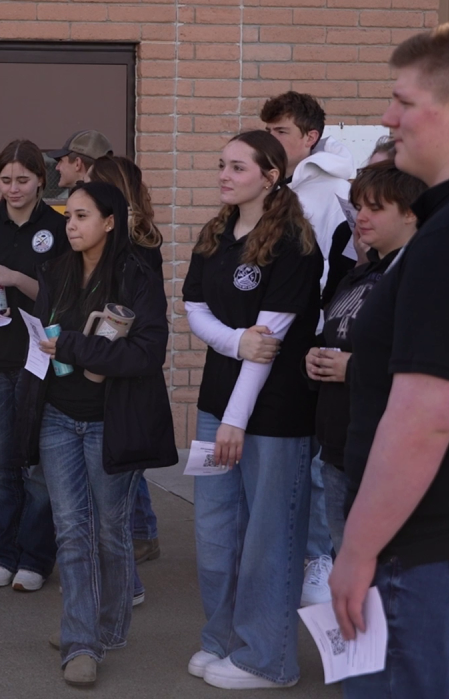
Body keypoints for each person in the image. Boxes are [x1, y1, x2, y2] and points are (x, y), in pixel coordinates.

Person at [331, 22, 449, 696]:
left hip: (444, 567)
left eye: (404, 101)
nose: (388, 117)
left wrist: (357, 551)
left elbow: (426, 415)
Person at [182, 130, 322, 690]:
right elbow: (194, 308)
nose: (224, 175)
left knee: (269, 539)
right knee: (215, 534)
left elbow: (270, 343)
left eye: (237, 167)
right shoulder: (215, 233)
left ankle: (268, 660)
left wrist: (236, 419)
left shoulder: (294, 244)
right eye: (222, 164)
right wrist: (233, 342)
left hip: (271, 415)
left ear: (270, 176)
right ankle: (221, 640)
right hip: (216, 404)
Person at [32, 181, 174, 686]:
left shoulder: (137, 274)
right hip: (57, 416)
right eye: (68, 216)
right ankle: (81, 639)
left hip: (111, 421)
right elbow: (45, 340)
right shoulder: (56, 271)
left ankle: (103, 626)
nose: (71, 225)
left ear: (109, 222)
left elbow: (147, 353)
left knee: (111, 531)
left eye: (82, 216)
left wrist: (75, 348)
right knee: (71, 531)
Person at [0, 138, 68, 591]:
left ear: (41, 180)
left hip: (39, 360)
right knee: (1, 466)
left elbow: (60, 297)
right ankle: (5, 553)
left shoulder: (59, 227)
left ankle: (36, 558)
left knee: (39, 467)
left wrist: (15, 278)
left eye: (22, 180)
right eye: (5, 180)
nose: (13, 188)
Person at [262, 91, 354, 606]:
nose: (272, 141)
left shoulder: (332, 190)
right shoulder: (283, 185)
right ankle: (296, 552)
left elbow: (331, 271)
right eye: (268, 131)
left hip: (315, 336)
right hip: (278, 333)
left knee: (319, 460)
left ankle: (320, 558)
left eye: (281, 132)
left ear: (310, 137)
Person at [306, 160, 424, 554]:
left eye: (376, 208)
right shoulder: (358, 274)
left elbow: (427, 371)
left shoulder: (420, 278)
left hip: (385, 456)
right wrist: (314, 358)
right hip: (339, 447)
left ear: (410, 213)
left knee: (380, 571)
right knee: (348, 565)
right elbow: (336, 334)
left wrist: (352, 369)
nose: (361, 218)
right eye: (359, 207)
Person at [87, 155, 165, 570]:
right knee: (120, 454)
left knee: (120, 454)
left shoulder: (135, 244)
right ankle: (142, 531)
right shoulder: (139, 235)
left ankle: (139, 535)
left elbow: (125, 310)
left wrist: (98, 354)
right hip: (117, 356)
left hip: (122, 358)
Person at [48, 129, 114, 190]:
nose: (57, 167)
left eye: (61, 161)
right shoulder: (111, 195)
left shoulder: (84, 198)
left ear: (77, 163)